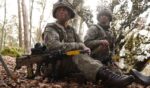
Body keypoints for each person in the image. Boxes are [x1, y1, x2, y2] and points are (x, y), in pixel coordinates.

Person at [42, 0, 134, 87]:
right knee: (78, 54)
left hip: (71, 64)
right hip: (55, 65)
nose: (62, 12)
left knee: (87, 57)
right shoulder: (51, 28)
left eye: (65, 10)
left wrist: (84, 49)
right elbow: (53, 46)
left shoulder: (72, 30)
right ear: (55, 13)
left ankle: (115, 76)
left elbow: (83, 45)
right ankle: (108, 77)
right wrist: (78, 46)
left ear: (70, 14)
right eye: (59, 10)